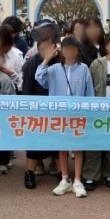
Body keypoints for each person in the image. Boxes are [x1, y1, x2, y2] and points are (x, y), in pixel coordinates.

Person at [35, 36, 94, 198]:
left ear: (77, 51)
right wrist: (46, 59)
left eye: (73, 49)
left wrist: (89, 112)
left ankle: (77, 180)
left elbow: (89, 92)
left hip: (78, 114)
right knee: (62, 147)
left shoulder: (83, 68)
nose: (70, 52)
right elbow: (39, 77)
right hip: (59, 115)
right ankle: (65, 178)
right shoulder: (54, 69)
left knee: (78, 147)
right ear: (61, 50)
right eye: (67, 49)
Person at [83, 35, 110, 190]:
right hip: (97, 109)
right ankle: (90, 175)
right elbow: (88, 84)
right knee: (93, 144)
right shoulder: (97, 64)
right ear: (107, 46)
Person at [20, 35, 60, 189]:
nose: (46, 50)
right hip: (37, 108)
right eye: (43, 48)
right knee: (35, 142)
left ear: (55, 46)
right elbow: (26, 89)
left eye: (49, 47)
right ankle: (29, 172)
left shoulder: (61, 60)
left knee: (58, 142)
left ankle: (60, 172)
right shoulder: (31, 63)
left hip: (57, 108)